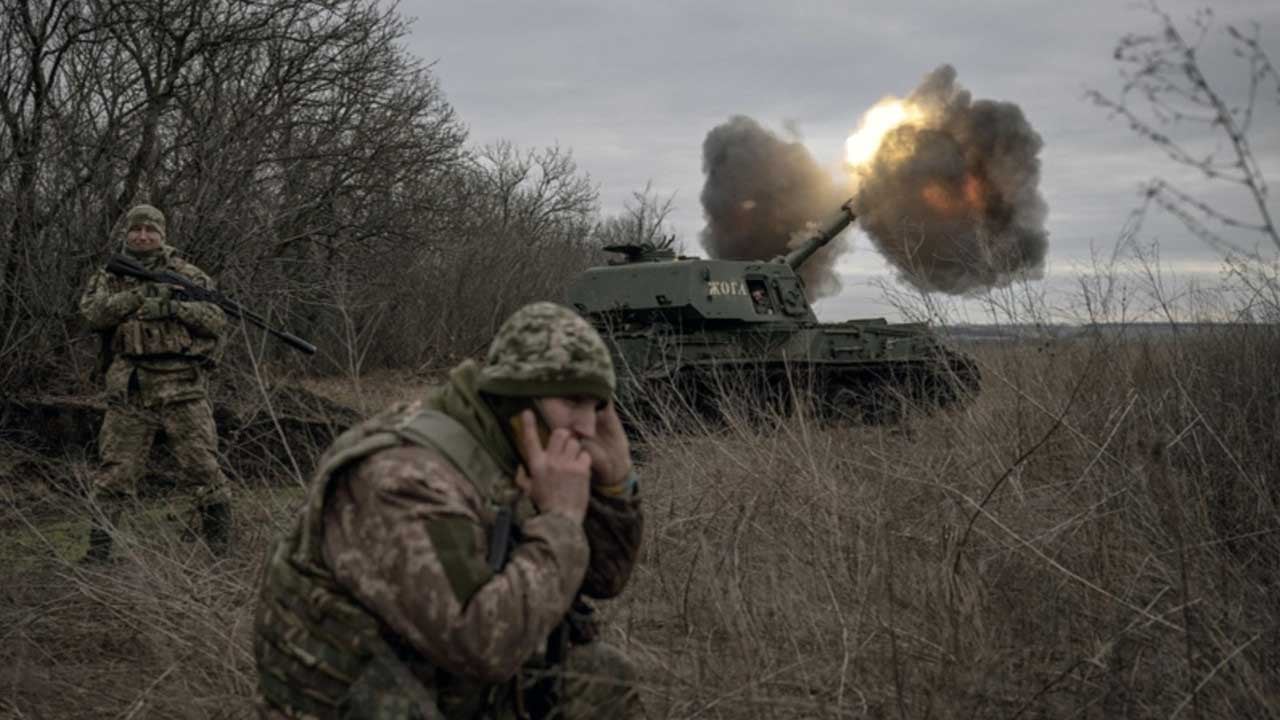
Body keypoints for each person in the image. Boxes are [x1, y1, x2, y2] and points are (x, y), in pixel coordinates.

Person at [253, 302, 644, 719]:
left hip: (437, 681)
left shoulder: (517, 451)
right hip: (363, 701)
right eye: (572, 402)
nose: (586, 426)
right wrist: (562, 520)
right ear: (516, 398)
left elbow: (603, 579)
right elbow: (481, 645)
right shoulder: (405, 477)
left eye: (597, 406)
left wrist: (615, 483)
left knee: (600, 677)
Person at [78, 203, 231, 561]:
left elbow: (216, 320)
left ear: (163, 235)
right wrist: (137, 296)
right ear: (127, 233)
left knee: (203, 468)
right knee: (115, 473)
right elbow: (92, 316)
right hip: (130, 387)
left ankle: (221, 552)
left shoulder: (187, 274)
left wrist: (174, 307)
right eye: (137, 229)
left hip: (183, 386)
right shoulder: (109, 276)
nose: (143, 236)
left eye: (151, 230)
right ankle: (97, 556)